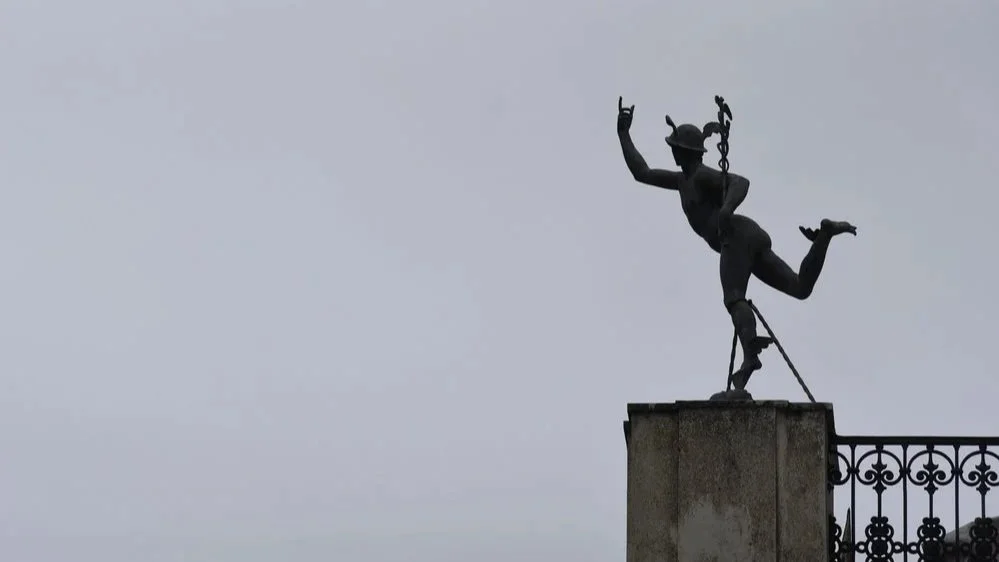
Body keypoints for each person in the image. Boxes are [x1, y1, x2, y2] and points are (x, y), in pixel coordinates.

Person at [616, 96, 857, 390]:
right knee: (799, 287)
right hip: (746, 235)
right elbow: (642, 172)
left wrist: (727, 209)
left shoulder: (701, 176)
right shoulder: (682, 181)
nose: (673, 155)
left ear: (684, 151)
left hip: (736, 237)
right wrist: (624, 134)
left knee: (733, 297)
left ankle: (750, 355)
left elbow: (740, 182)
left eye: (674, 150)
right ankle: (824, 236)